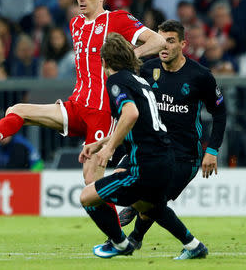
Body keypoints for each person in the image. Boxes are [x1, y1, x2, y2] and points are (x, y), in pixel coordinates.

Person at [0, 0, 166, 188]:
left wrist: (131, 56)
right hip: (76, 105)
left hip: (102, 110)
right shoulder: (75, 25)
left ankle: (133, 195)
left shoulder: (117, 19)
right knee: (16, 110)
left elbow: (158, 41)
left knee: (91, 181)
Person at [78, 32, 207, 260]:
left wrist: (109, 150)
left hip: (145, 166)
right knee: (149, 206)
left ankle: (119, 243)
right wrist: (101, 143)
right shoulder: (139, 81)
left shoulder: (116, 81)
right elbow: (142, 123)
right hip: (166, 160)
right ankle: (193, 245)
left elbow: (131, 113)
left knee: (87, 197)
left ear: (104, 62)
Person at [116, 20, 226, 258]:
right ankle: (133, 235)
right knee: (123, 182)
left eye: (170, 40)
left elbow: (219, 111)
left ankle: (133, 236)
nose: (163, 46)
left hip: (184, 154)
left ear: (183, 44)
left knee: (152, 200)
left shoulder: (200, 76)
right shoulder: (146, 69)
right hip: (151, 148)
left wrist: (213, 150)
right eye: (160, 39)